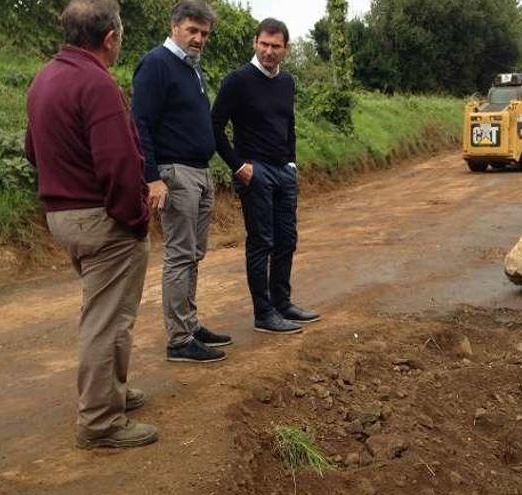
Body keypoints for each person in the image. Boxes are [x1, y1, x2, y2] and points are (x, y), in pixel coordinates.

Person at [25, 0, 157, 449]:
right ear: (110, 38)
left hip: (63, 216)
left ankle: (111, 393)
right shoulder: (96, 83)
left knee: (100, 312)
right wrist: (136, 218)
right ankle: (100, 422)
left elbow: (31, 150)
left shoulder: (44, 78)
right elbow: (119, 164)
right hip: (102, 220)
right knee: (108, 321)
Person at [132, 0, 232, 363]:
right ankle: (178, 339)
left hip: (199, 171)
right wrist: (152, 177)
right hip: (174, 174)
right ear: (175, 26)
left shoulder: (192, 68)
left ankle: (189, 324)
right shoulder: (157, 64)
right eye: (193, 30)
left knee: (194, 254)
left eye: (204, 33)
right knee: (179, 255)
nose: (199, 38)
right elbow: (139, 122)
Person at [212, 18, 320, 334]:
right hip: (254, 171)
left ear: (285, 49)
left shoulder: (287, 82)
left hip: (283, 172)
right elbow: (215, 125)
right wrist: (237, 165)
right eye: (264, 44)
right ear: (255, 42)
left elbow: (289, 125)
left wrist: (292, 163)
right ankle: (264, 313)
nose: (269, 51)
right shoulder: (237, 81)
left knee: (287, 240)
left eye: (276, 46)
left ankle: (283, 303)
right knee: (262, 242)